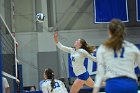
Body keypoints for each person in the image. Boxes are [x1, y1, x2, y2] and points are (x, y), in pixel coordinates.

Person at [93, 19, 140, 93]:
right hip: (130, 85)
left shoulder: (103, 48)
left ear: (109, 31)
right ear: (123, 31)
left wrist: (95, 91)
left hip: (113, 85)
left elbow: (100, 72)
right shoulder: (132, 47)